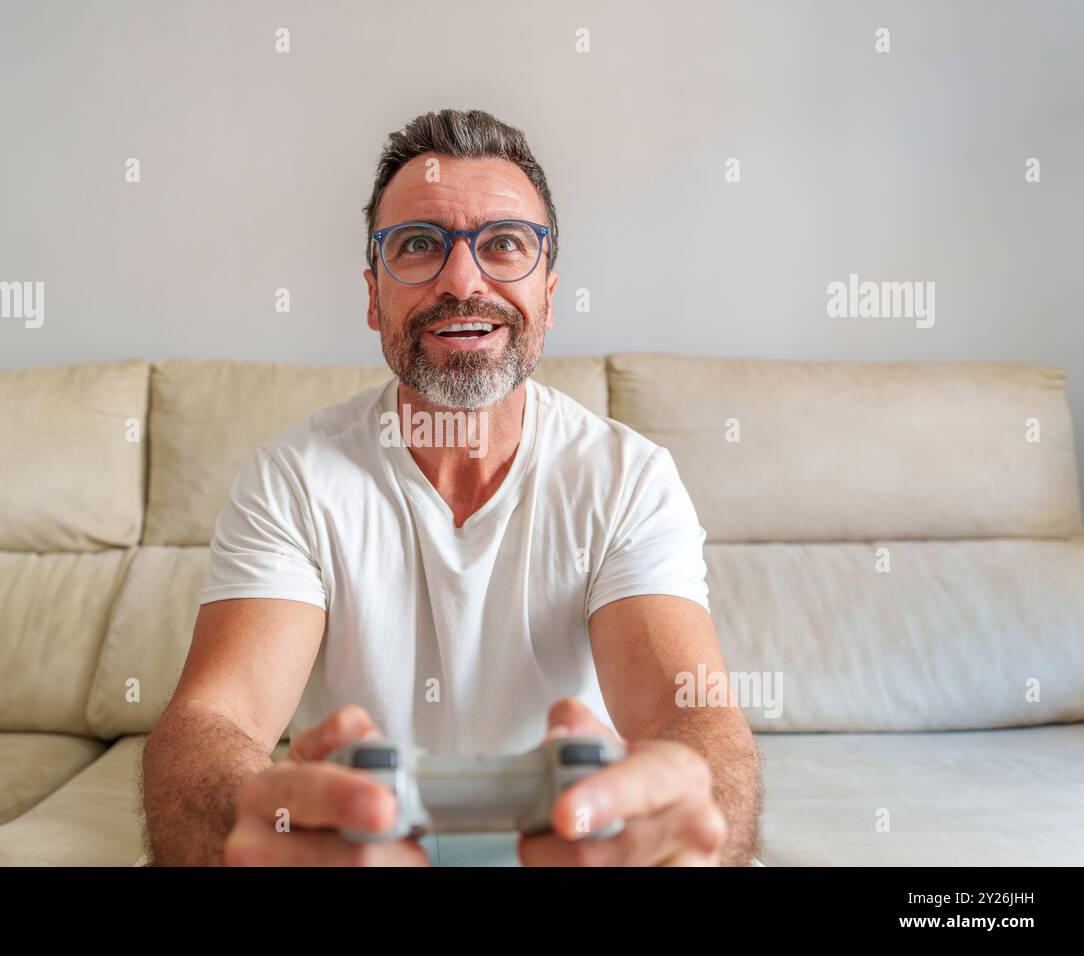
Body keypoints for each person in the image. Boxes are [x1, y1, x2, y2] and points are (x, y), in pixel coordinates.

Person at [142, 108, 760, 866]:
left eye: (503, 244)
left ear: (550, 295)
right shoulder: (294, 481)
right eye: (418, 246)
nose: (461, 280)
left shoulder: (627, 479)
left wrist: (683, 833)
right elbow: (216, 719)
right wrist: (244, 834)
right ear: (374, 297)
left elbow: (687, 718)